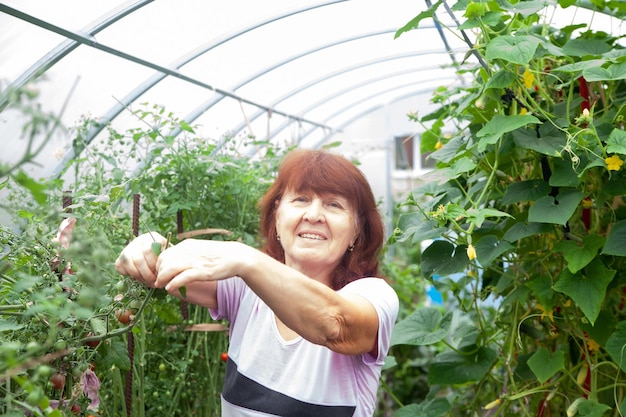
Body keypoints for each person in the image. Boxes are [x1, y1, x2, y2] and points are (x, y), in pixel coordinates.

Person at [115, 149, 399, 417]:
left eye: (333, 205)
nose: (313, 215)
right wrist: (149, 248)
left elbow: (335, 324)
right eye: (300, 199)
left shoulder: (374, 295)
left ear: (356, 232)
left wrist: (246, 258)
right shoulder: (244, 287)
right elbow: (162, 271)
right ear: (277, 215)